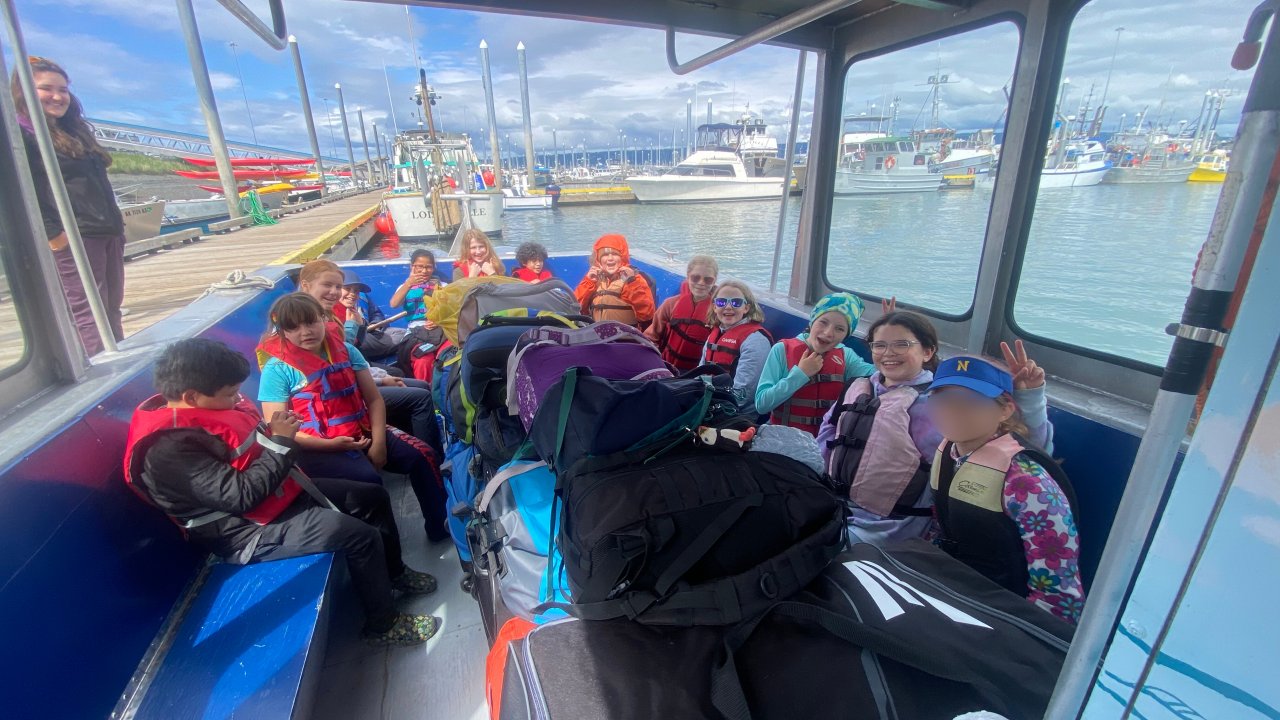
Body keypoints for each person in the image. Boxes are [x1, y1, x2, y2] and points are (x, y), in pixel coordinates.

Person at [123, 338, 441, 646]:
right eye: (230, 394)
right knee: (360, 536)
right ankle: (383, 624)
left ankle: (394, 573)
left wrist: (281, 436)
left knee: (372, 497)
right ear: (192, 397)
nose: (236, 400)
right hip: (245, 530)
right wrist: (282, 441)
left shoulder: (206, 409)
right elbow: (240, 497)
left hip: (278, 494)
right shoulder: (168, 451)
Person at [816, 310, 1054, 548]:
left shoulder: (938, 405)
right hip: (832, 504)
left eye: (901, 344)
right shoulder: (859, 388)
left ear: (927, 352)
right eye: (880, 345)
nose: (888, 352)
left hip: (889, 528)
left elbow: (1018, 451)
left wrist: (1029, 398)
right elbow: (825, 439)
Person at [256, 293, 449, 543]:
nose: (305, 332)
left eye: (311, 322)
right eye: (293, 327)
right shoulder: (277, 370)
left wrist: (379, 443)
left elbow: (374, 400)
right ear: (282, 331)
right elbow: (279, 430)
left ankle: (440, 527)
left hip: (361, 430)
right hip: (317, 446)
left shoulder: (346, 350)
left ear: (323, 318)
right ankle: (390, 557)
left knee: (423, 456)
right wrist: (331, 445)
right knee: (369, 482)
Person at [926, 355, 1084, 624]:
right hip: (954, 587)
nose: (954, 411)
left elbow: (1059, 597)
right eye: (944, 400)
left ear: (1005, 410)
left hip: (1004, 612)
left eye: (971, 402)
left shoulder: (1027, 484)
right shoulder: (950, 453)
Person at [15, 56, 125, 355]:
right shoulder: (23, 135)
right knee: (87, 313)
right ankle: (99, 364)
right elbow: (25, 190)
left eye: (63, 89)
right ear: (23, 91)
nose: (57, 96)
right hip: (75, 235)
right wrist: (55, 235)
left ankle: (120, 355)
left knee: (111, 306)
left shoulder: (74, 130)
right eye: (46, 88)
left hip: (107, 231)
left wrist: (117, 228)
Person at [296, 260, 444, 459]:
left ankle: (418, 448)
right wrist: (380, 379)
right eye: (328, 286)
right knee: (420, 397)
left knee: (418, 385)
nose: (335, 292)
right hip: (340, 398)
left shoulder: (329, 315)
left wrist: (380, 377)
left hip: (353, 383)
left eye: (338, 287)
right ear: (306, 286)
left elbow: (351, 358)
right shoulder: (307, 323)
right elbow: (339, 365)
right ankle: (432, 457)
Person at [755, 292, 876, 435]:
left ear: (846, 335)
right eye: (823, 322)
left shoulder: (846, 356)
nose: (828, 332)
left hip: (823, 441)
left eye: (840, 329)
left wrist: (885, 337)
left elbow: (881, 375)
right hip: (782, 438)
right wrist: (800, 374)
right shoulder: (782, 350)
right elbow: (762, 405)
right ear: (812, 320)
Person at [701, 280, 772, 418]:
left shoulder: (755, 341)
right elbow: (701, 372)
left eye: (736, 302)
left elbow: (743, 395)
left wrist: (710, 408)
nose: (728, 307)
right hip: (708, 403)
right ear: (714, 307)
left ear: (746, 308)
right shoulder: (715, 334)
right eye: (721, 302)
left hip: (736, 414)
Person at [645, 255, 718, 373]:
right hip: (664, 365)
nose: (701, 283)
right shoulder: (670, 304)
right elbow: (652, 335)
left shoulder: (717, 311)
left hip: (695, 373)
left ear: (714, 281)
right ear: (688, 277)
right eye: (695, 278)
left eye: (708, 279)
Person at [574, 233, 655, 326]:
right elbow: (575, 309)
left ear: (622, 257)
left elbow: (647, 314)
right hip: (597, 333)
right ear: (598, 259)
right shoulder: (594, 280)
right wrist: (588, 282)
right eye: (605, 255)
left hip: (624, 334)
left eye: (615, 254)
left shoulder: (634, 280)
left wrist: (632, 283)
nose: (610, 258)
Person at [390, 250, 446, 328]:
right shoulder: (404, 287)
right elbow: (394, 304)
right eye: (420, 266)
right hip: (415, 328)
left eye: (429, 267)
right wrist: (409, 284)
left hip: (439, 327)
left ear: (433, 268)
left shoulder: (443, 286)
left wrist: (439, 322)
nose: (424, 271)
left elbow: (451, 310)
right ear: (411, 266)